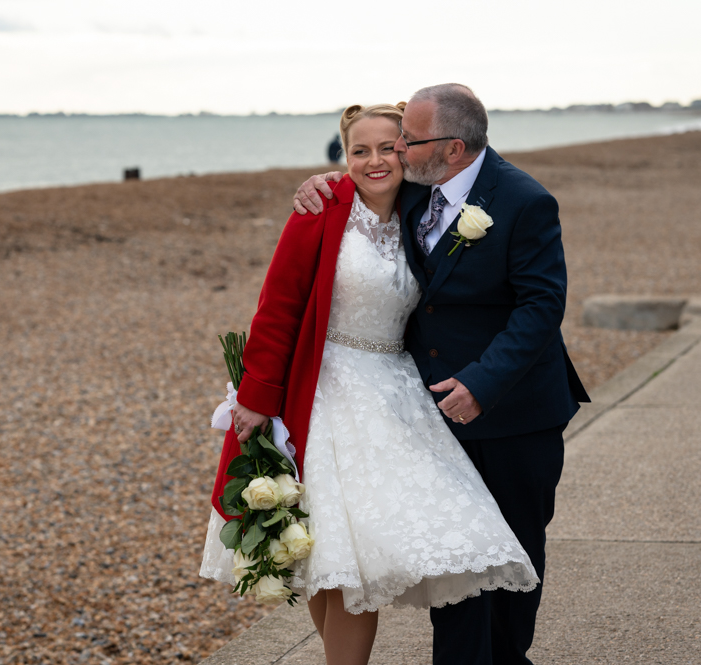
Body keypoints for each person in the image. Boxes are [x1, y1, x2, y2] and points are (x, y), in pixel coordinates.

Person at [200, 102, 540, 665]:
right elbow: (278, 307)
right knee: (333, 562)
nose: (375, 160)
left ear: (409, 151)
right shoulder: (322, 208)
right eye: (360, 150)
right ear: (343, 157)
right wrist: (257, 398)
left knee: (377, 551)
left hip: (398, 394)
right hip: (325, 392)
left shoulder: (424, 210)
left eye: (389, 147)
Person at [292, 83, 590, 665]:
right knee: (456, 557)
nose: (396, 148)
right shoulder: (410, 189)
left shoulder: (524, 201)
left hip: (514, 411)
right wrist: (318, 182)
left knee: (511, 555)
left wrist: (482, 383)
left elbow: (540, 307)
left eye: (408, 139)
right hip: (428, 410)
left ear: (452, 148)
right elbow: (360, 186)